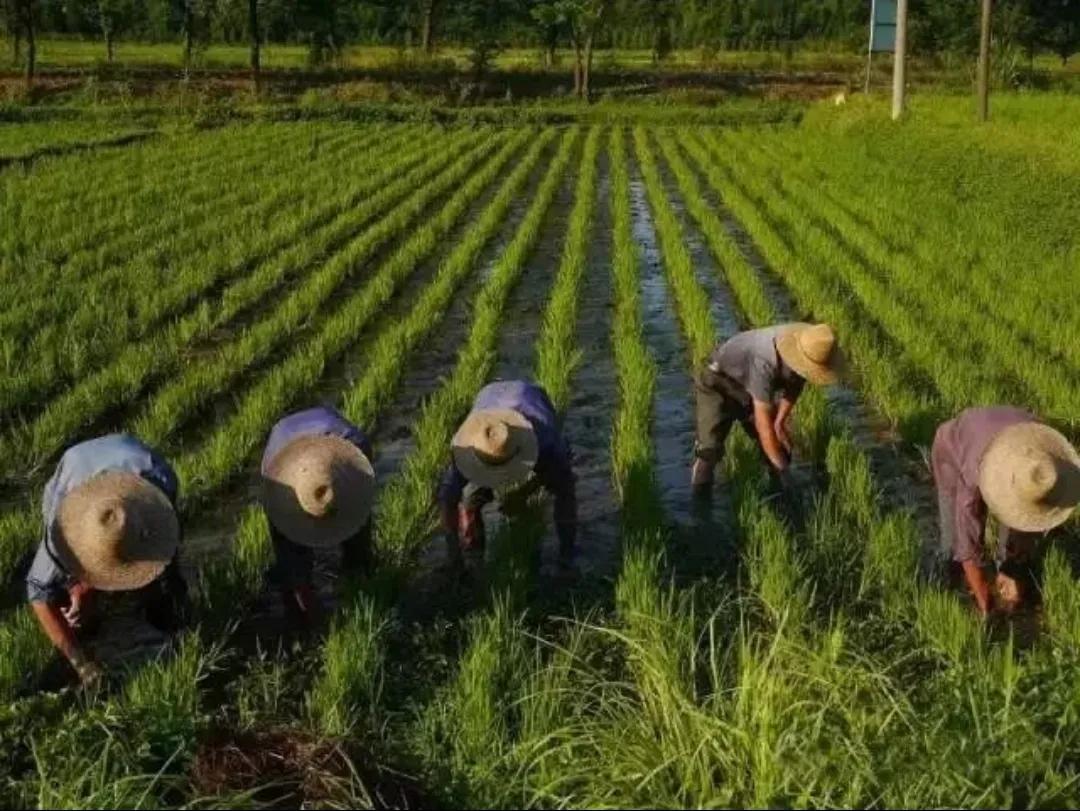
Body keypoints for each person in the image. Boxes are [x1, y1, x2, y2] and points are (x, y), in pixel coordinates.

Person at [26, 434, 187, 686]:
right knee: (62, 594)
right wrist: (80, 663)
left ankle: (166, 616)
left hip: (137, 461)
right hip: (78, 466)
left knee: (165, 576)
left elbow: (166, 548)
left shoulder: (159, 491)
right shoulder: (62, 527)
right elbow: (37, 593)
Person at [929, 407, 1080, 616]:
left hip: (1008, 445)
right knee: (953, 537)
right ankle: (948, 575)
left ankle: (1005, 568)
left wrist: (1012, 568)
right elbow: (966, 536)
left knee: (1022, 517)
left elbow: (1030, 519)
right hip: (953, 451)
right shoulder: (973, 472)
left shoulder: (1043, 458)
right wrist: (983, 599)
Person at [692, 322, 845, 493]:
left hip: (746, 382)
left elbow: (795, 385)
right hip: (717, 380)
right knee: (709, 451)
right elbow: (763, 424)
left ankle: (777, 496)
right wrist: (784, 471)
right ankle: (700, 503)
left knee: (777, 446)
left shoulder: (811, 343)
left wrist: (779, 423)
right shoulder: (764, 362)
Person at [439, 380, 576, 567]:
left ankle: (567, 555)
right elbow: (448, 499)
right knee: (469, 497)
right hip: (489, 395)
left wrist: (524, 492)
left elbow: (562, 470)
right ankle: (473, 551)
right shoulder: (465, 446)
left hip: (530, 396)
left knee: (564, 488)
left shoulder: (544, 439)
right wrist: (453, 556)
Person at [260, 406, 376, 626]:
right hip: (283, 443)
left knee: (358, 539)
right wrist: (317, 621)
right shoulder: (275, 478)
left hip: (334, 435)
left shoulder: (356, 446)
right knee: (290, 557)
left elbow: (363, 487)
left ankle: (360, 579)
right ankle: (295, 613)